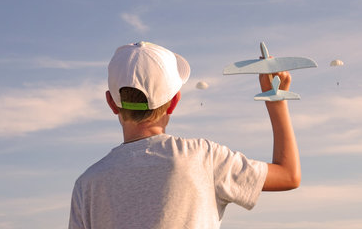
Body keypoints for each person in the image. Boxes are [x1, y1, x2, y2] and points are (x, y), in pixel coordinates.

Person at [68, 41, 300, 229]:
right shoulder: (204, 158)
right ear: (174, 102)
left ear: (111, 102)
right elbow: (289, 175)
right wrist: (276, 100)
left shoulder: (86, 185)